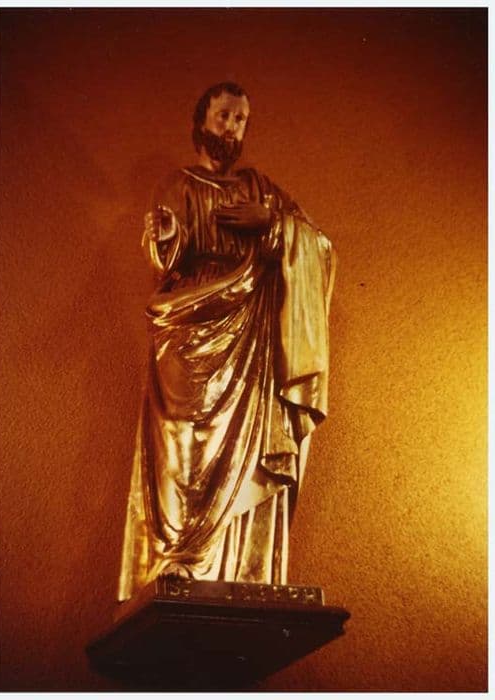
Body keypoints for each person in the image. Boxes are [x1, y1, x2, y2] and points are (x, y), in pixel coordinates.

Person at [118, 82, 336, 601]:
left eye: (240, 119)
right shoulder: (177, 184)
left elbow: (321, 246)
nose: (232, 127)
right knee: (184, 443)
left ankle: (239, 568)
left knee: (244, 447)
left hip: (251, 334)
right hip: (191, 321)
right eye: (223, 115)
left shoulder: (261, 189)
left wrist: (274, 224)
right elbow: (165, 257)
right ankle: (178, 554)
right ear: (201, 121)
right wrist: (164, 237)